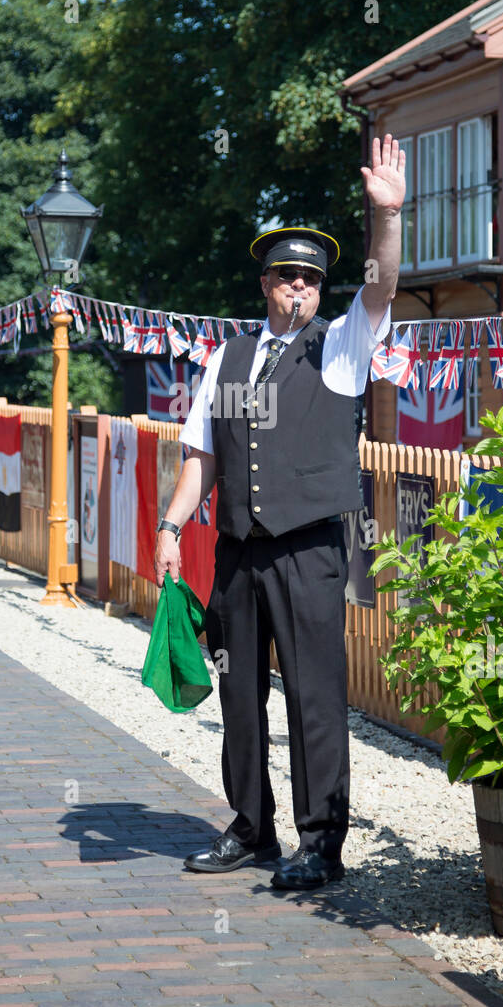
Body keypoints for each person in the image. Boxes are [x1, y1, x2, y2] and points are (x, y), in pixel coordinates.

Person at [154, 134, 405, 889]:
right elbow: (202, 455)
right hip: (238, 549)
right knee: (238, 693)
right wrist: (171, 528)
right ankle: (251, 828)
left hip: (308, 548)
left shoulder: (341, 345)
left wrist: (386, 217)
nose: (299, 289)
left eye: (310, 280)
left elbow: (384, 285)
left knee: (315, 696)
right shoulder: (226, 357)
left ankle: (321, 841)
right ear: (265, 283)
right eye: (287, 277)